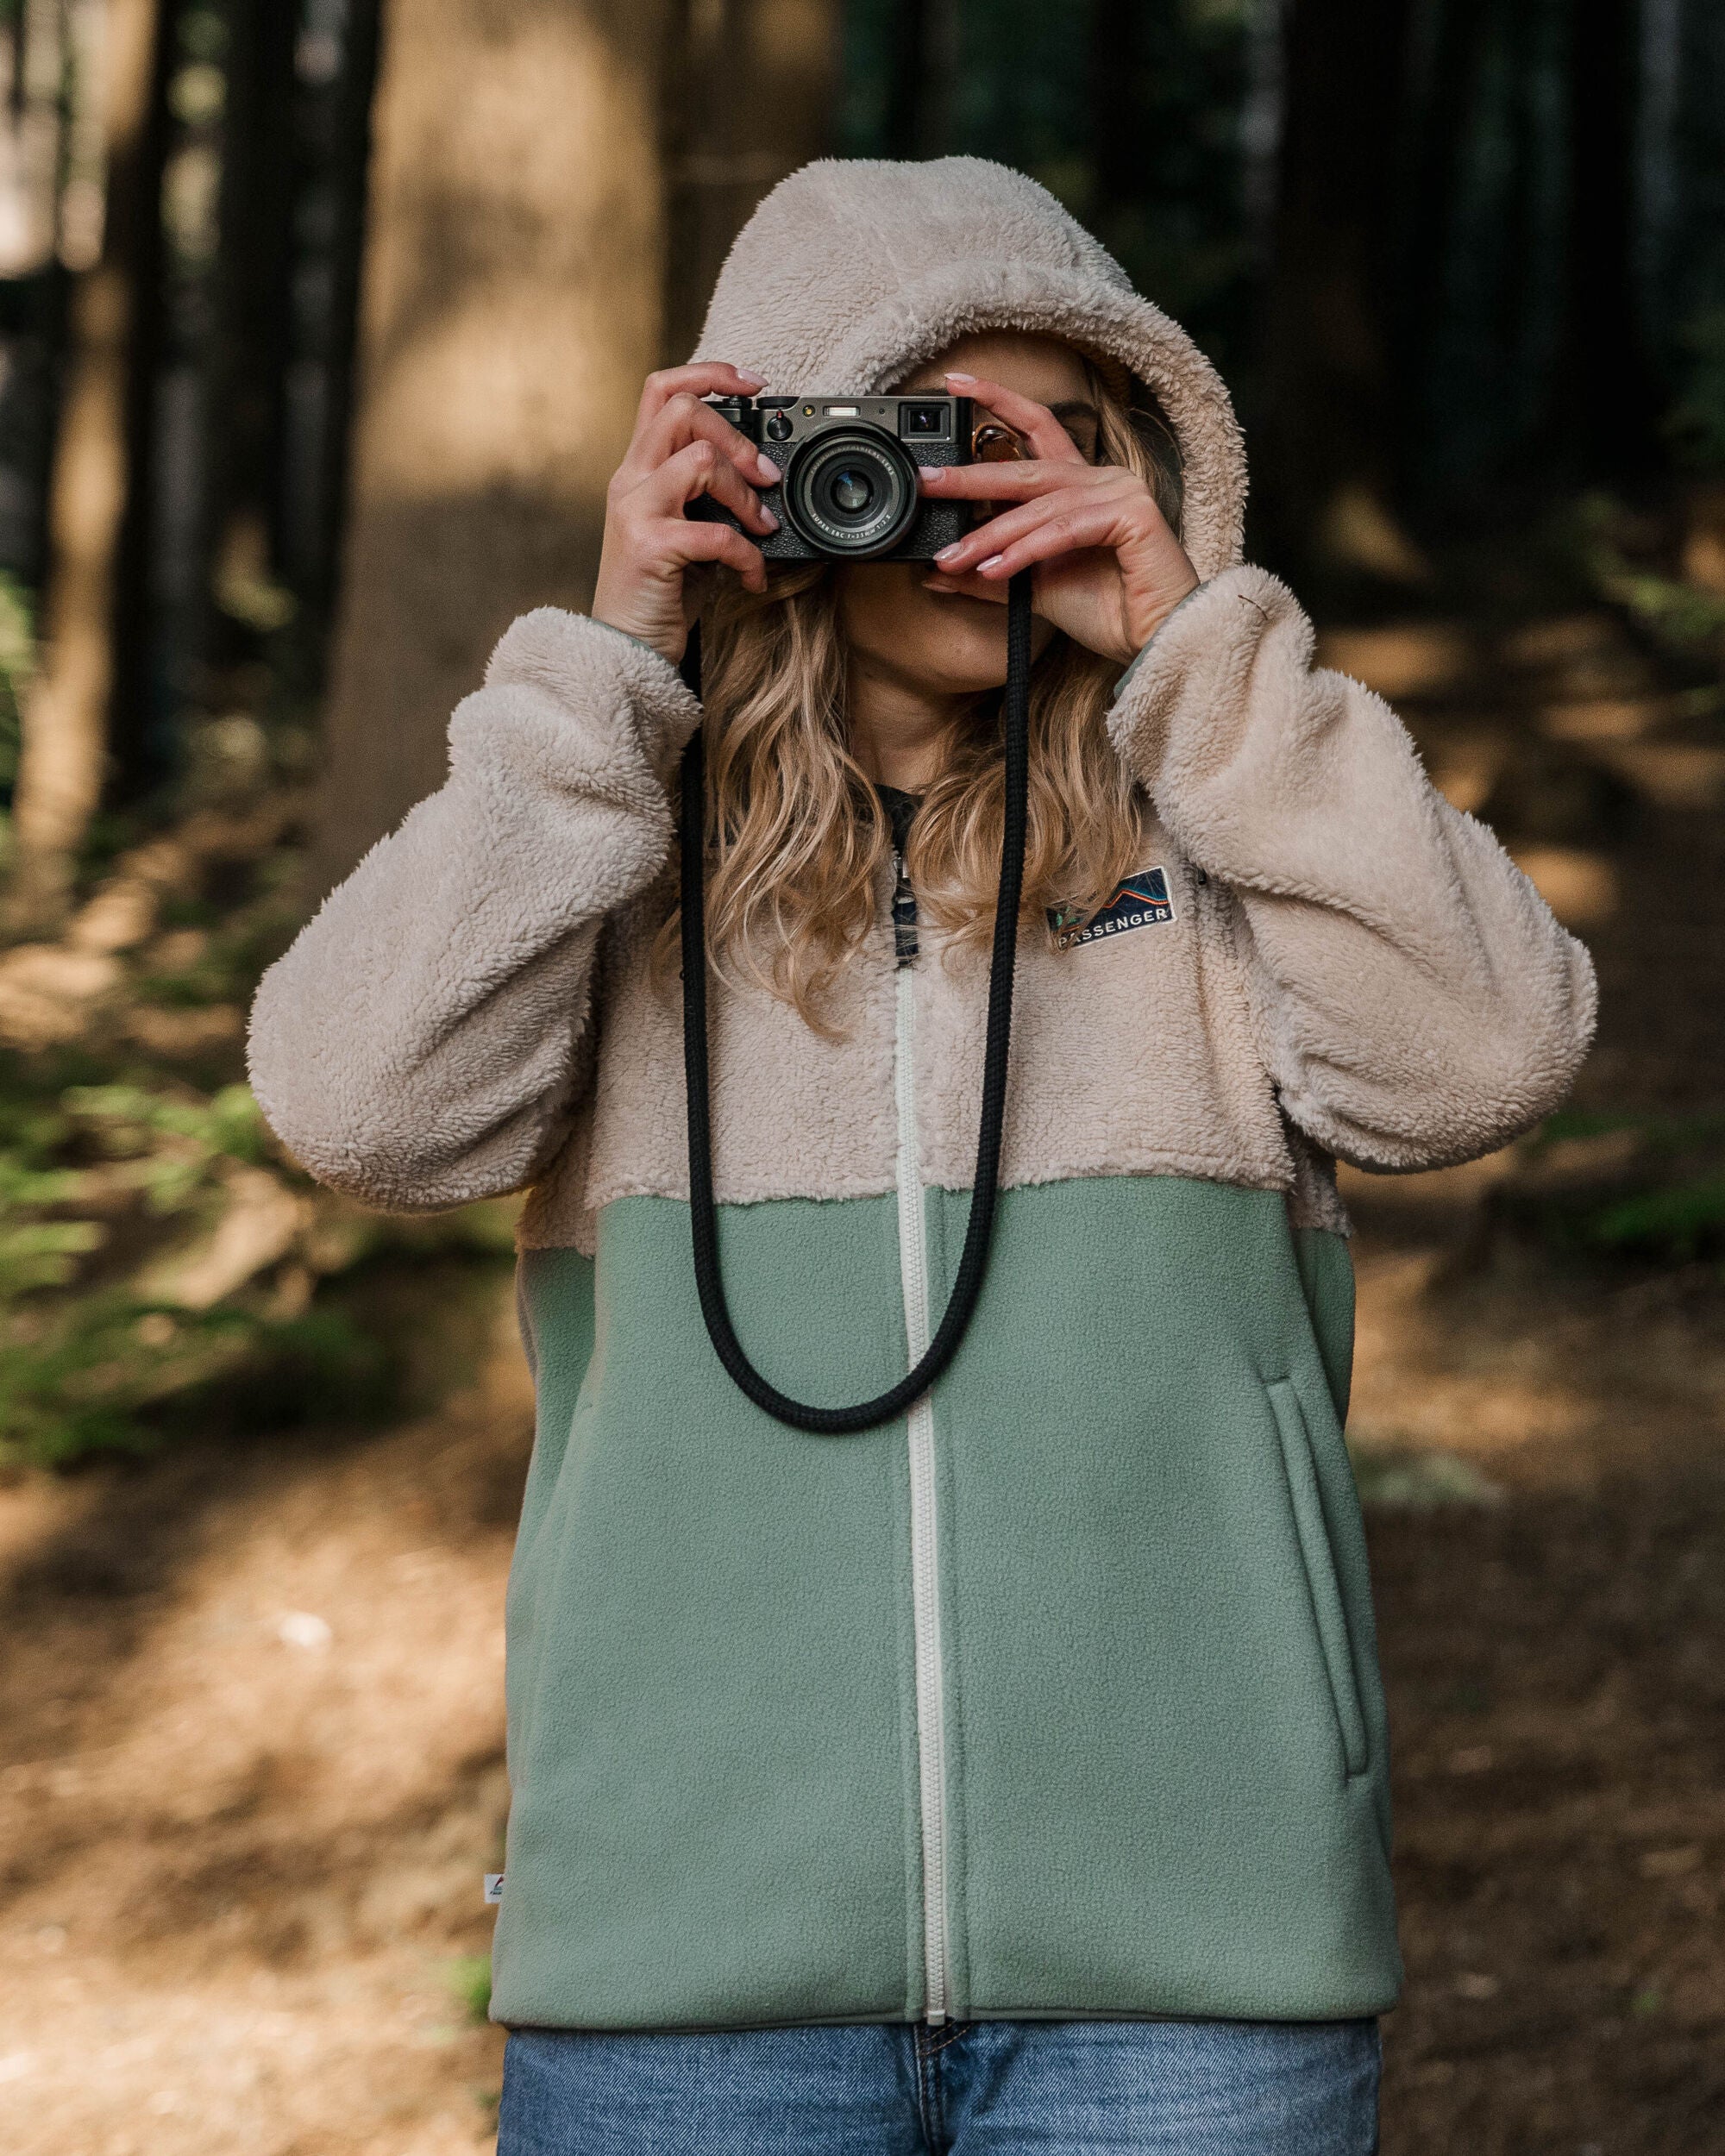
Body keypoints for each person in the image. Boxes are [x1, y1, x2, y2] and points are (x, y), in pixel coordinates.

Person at [248, 158, 1595, 2154]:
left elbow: (1491, 1053)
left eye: (1038, 442)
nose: (966, 505)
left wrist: (1204, 659)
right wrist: (609, 666)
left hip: (1189, 1968)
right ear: (774, 470)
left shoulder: (1219, 836)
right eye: (911, 440)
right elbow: (353, 1105)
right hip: (683, 1970)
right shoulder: (615, 869)